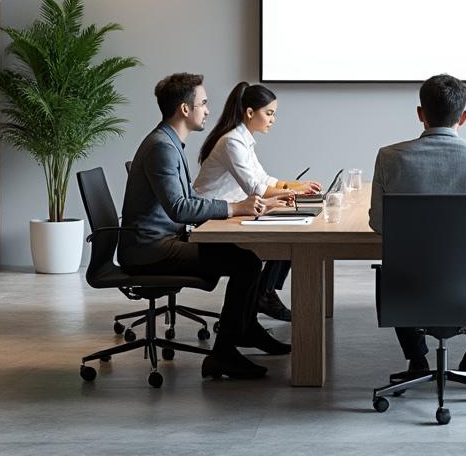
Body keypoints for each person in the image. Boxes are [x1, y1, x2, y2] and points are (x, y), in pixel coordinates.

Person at [118, 73, 292, 380]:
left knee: (246, 259)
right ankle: (223, 354)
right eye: (203, 103)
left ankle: (246, 330)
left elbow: (187, 198)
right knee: (246, 264)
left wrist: (235, 209)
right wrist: (235, 207)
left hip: (162, 240)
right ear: (185, 109)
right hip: (150, 248)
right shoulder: (162, 147)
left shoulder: (169, 142)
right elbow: (180, 208)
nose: (208, 111)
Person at [369, 74, 466, 378]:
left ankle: (417, 359)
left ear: (421, 114)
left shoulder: (389, 157)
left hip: (408, 287)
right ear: (463, 116)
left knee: (393, 268)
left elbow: (380, 224)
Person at [194, 82, 322, 322]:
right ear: (250, 113)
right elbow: (256, 188)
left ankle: (264, 294)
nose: (273, 119)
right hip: (209, 218)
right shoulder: (232, 142)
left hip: (230, 211)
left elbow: (263, 179)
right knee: (287, 235)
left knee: (290, 229)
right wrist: (289, 194)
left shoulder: (244, 139)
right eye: (269, 113)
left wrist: (295, 187)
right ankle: (262, 296)